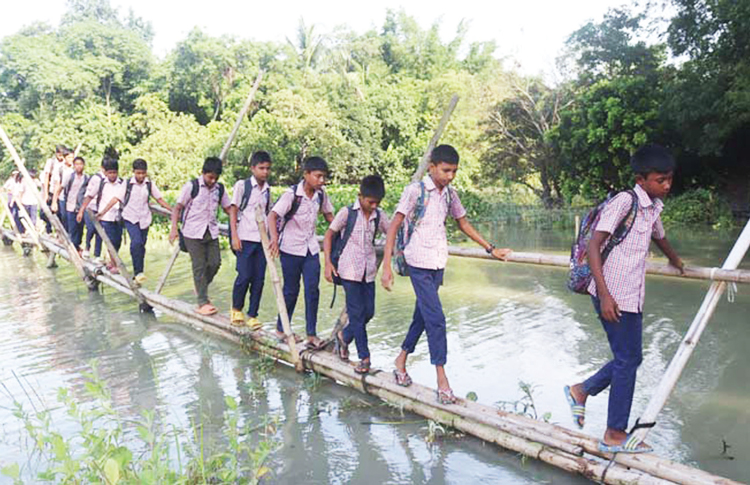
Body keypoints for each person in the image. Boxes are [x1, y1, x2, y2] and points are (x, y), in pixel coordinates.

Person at [563, 144, 684, 454]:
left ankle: (581, 391)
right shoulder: (624, 201)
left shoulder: (653, 206)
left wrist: (677, 261)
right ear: (641, 179)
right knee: (628, 360)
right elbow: (593, 246)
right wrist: (604, 295)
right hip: (612, 295)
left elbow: (658, 236)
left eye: (669, 179)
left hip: (632, 295)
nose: (667, 185)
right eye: (661, 179)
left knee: (629, 358)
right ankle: (614, 433)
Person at [381, 144, 512, 404]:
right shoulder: (415, 191)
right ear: (432, 167)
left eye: (454, 171)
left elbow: (462, 223)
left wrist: (490, 249)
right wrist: (386, 267)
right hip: (417, 259)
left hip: (438, 262)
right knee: (437, 320)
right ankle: (442, 380)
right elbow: (394, 225)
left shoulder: (450, 195)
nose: (450, 176)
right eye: (445, 170)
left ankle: (401, 361)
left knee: (423, 316)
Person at [324, 174, 390, 374]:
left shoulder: (379, 215)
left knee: (368, 311)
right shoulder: (347, 213)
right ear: (360, 196)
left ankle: (343, 337)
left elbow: (392, 232)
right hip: (348, 269)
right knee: (357, 315)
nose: (373, 206)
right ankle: (364, 357)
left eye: (377, 203)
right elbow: (329, 235)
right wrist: (327, 263)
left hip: (368, 271)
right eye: (370, 202)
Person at [268, 156, 335, 348]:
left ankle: (311, 335)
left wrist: (344, 230)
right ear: (306, 174)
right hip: (290, 248)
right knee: (291, 290)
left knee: (312, 290)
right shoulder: (292, 195)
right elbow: (273, 216)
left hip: (311, 248)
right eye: (318, 176)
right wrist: (273, 239)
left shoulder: (321, 195)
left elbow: (329, 216)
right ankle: (282, 328)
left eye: (324, 177)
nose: (321, 181)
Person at [169, 157, 231, 316]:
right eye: (210, 177)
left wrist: (240, 218)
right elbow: (177, 208)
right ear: (203, 173)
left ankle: (200, 287)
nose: (212, 180)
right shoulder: (192, 186)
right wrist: (174, 229)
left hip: (211, 231)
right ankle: (202, 302)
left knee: (215, 263)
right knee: (199, 266)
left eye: (215, 178)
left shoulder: (219, 189)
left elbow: (228, 208)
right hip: (192, 232)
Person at [97, 158, 171, 283]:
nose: (140, 176)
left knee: (141, 246)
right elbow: (116, 199)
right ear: (133, 172)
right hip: (130, 217)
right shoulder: (127, 184)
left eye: (143, 173)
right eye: (138, 173)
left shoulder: (149, 184)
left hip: (144, 218)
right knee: (136, 242)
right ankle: (138, 272)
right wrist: (102, 212)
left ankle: (139, 273)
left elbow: (159, 199)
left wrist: (173, 210)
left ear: (146, 172)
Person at [229, 151, 272, 329]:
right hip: (244, 237)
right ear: (253, 168)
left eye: (268, 169)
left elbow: (268, 214)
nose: (265, 172)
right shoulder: (243, 186)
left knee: (259, 279)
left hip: (261, 240)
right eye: (261, 168)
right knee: (244, 275)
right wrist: (234, 235)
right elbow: (233, 210)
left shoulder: (268, 190)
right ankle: (236, 309)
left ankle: (253, 314)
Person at [78, 156, 123, 273]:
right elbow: (89, 196)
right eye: (110, 173)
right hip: (105, 217)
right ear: (106, 173)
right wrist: (82, 210)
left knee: (118, 241)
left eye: (114, 172)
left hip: (118, 216)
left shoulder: (122, 183)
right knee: (111, 241)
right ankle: (114, 265)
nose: (112, 175)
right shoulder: (101, 183)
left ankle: (112, 262)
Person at [59, 156, 88, 252]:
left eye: (80, 164)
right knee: (73, 228)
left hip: (81, 208)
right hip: (70, 206)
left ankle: (77, 245)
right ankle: (74, 248)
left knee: (80, 229)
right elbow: (61, 187)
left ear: (84, 165)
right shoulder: (70, 176)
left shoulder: (86, 178)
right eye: (76, 164)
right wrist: (55, 201)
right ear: (74, 166)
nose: (79, 166)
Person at [80, 159, 107, 259]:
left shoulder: (109, 179)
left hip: (101, 208)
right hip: (90, 207)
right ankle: (87, 247)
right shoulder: (96, 178)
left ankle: (97, 254)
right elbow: (89, 194)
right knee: (91, 229)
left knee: (100, 231)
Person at [40, 145, 66, 233]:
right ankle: (49, 230)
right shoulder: (51, 162)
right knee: (46, 212)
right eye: (59, 154)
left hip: (61, 193)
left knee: (60, 214)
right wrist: (46, 193)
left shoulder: (65, 162)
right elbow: (46, 177)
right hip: (51, 190)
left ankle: (59, 233)